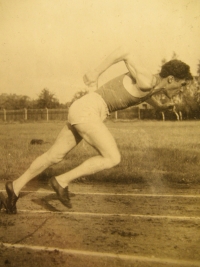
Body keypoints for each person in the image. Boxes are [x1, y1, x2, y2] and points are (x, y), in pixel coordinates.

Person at [3, 46, 193, 213]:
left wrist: (160, 107)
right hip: (89, 110)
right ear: (170, 79)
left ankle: (14, 187)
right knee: (112, 157)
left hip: (85, 108)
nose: (182, 89)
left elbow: (146, 96)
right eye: (182, 84)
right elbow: (125, 50)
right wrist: (95, 72)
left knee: (54, 156)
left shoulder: (151, 86)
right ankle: (62, 181)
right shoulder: (147, 80)